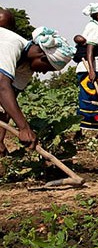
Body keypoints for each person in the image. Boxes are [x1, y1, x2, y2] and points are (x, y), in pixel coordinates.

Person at [0, 22, 75, 154]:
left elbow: (5, 108)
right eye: (48, 68)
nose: (44, 73)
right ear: (42, 57)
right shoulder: (12, 44)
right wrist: (23, 127)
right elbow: (2, 87)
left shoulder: (26, 69)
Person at [74, 1, 98, 132]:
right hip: (91, 68)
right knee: (91, 98)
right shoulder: (95, 28)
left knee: (91, 97)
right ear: (97, 15)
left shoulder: (94, 27)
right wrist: (92, 70)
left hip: (92, 68)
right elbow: (90, 48)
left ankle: (91, 127)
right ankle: (90, 129)